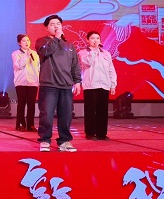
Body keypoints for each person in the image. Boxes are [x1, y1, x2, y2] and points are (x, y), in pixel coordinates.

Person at [36, 15, 81, 152]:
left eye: (58, 24)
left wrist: (77, 81)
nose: (56, 26)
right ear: (46, 27)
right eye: (52, 24)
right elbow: (45, 52)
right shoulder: (41, 41)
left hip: (66, 85)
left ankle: (64, 141)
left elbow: (75, 65)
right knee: (47, 115)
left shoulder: (69, 45)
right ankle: (45, 140)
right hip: (49, 85)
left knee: (66, 115)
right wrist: (56, 38)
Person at [78, 31, 118, 141]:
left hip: (104, 84)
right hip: (91, 85)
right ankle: (90, 133)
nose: (95, 40)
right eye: (92, 38)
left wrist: (113, 84)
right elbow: (88, 62)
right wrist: (94, 51)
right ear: (87, 40)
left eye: (97, 38)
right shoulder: (83, 53)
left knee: (102, 110)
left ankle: (102, 133)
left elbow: (111, 69)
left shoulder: (106, 53)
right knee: (90, 110)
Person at [12, 33, 39, 132]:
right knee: (21, 104)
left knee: (31, 104)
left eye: (28, 40)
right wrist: (26, 56)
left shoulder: (35, 54)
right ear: (19, 43)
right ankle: (20, 124)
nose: (26, 42)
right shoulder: (16, 54)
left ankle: (30, 125)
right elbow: (19, 65)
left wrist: (38, 80)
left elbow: (38, 67)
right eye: (24, 41)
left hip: (33, 82)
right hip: (21, 82)